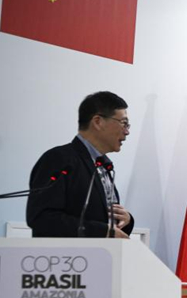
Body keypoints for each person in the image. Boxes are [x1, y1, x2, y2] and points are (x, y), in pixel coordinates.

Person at [26, 91, 134, 238]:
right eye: (123, 123)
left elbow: (104, 222)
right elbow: (42, 218)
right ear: (98, 122)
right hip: (67, 253)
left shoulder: (104, 166)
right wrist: (101, 231)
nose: (127, 132)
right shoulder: (59, 159)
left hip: (103, 252)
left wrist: (126, 220)